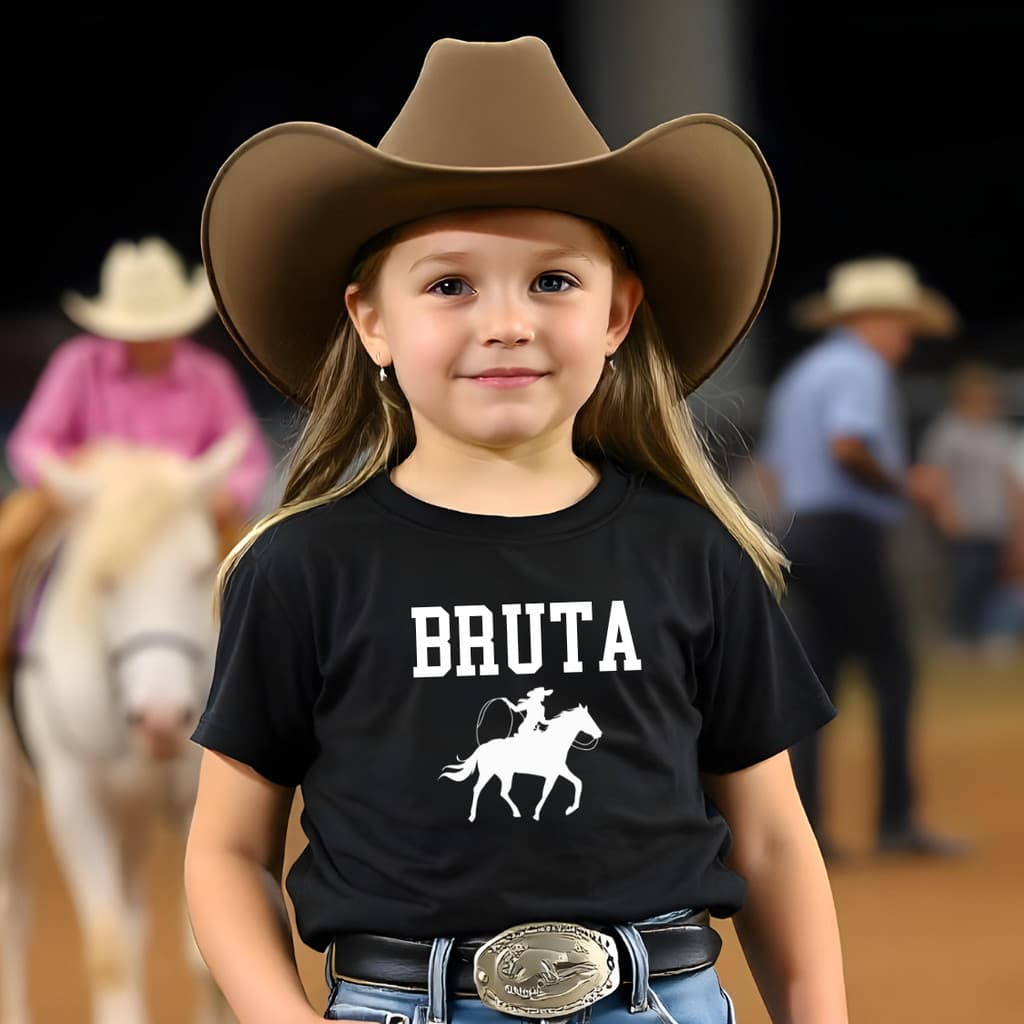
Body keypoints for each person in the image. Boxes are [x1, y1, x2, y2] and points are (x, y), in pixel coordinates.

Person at [184, 36, 847, 1024]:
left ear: (618, 312)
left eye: (553, 282)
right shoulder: (300, 566)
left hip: (655, 1001)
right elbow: (227, 849)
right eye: (449, 284)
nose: (506, 322)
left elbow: (773, 842)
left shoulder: (697, 551)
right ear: (371, 322)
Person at [758, 256, 970, 859]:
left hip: (798, 533)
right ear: (872, 320)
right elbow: (848, 445)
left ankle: (807, 832)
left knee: (815, 686)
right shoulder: (860, 370)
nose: (904, 337)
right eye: (900, 323)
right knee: (894, 669)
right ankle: (897, 820)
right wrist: (906, 486)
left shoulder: (804, 373)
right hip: (845, 532)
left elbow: (771, 467)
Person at [0, 236, 272, 679]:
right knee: (9, 540)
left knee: (256, 566)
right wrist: (61, 478)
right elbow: (32, 441)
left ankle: (261, 671)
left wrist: (228, 494)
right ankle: (5, 663)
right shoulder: (78, 364)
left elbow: (247, 455)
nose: (145, 340)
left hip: (184, 505)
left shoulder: (209, 376)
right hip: (87, 501)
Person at [917, 361, 1024, 653]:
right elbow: (933, 477)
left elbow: (1010, 484)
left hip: (995, 524)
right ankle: (957, 638)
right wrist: (946, 516)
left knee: (989, 582)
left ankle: (982, 638)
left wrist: (1018, 526)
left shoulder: (999, 434)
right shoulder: (948, 430)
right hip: (963, 523)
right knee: (964, 581)